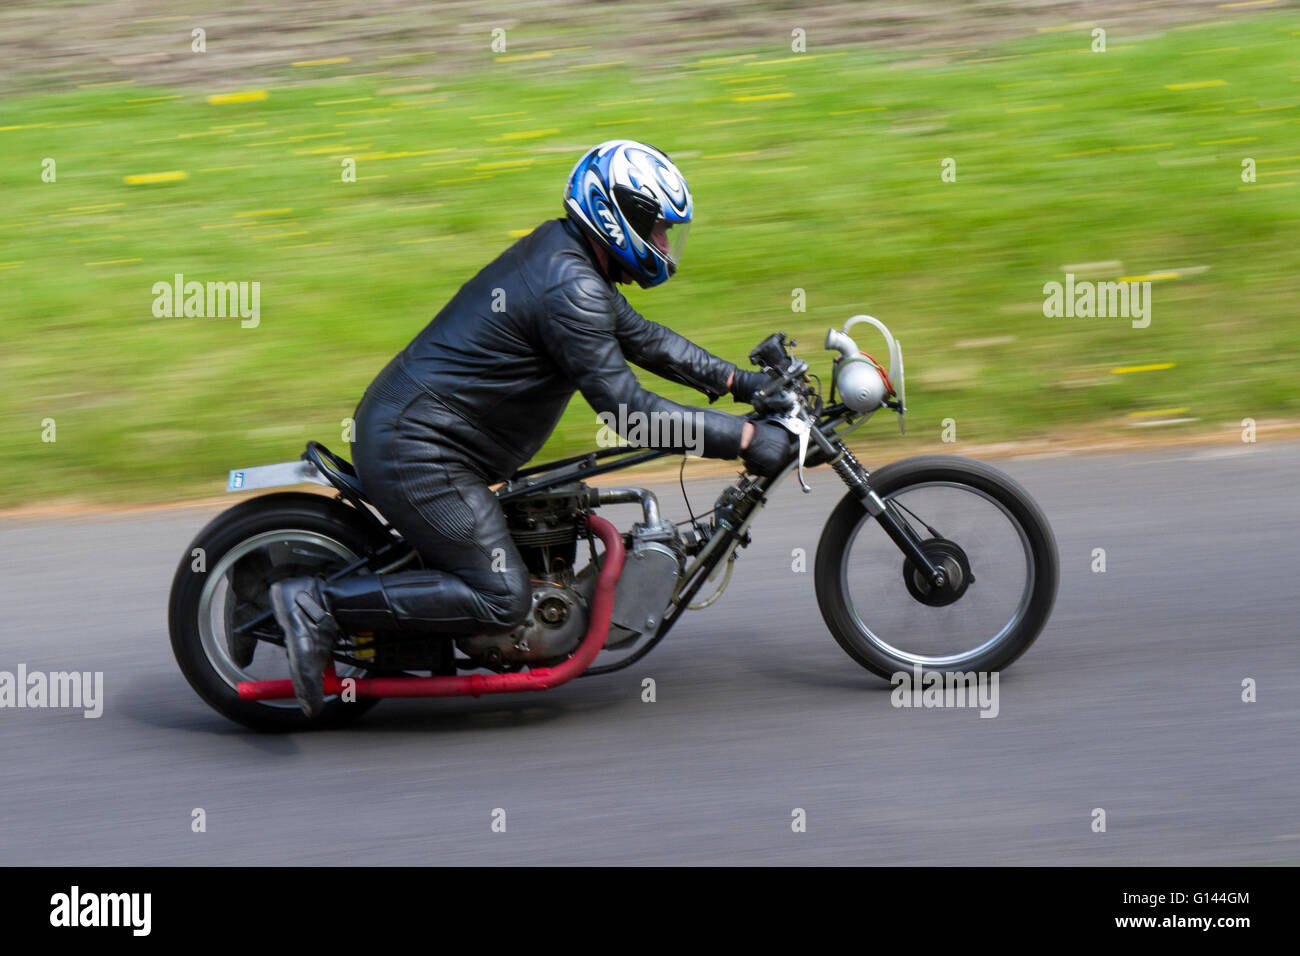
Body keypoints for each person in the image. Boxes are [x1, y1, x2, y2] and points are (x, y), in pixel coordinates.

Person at [265, 139, 796, 716]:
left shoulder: (569, 256)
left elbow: (646, 340)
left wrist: (746, 385)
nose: (665, 244)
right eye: (657, 228)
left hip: (426, 437)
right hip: (421, 452)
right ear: (614, 217)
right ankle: (313, 604)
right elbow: (630, 414)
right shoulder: (569, 286)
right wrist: (745, 439)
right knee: (500, 597)